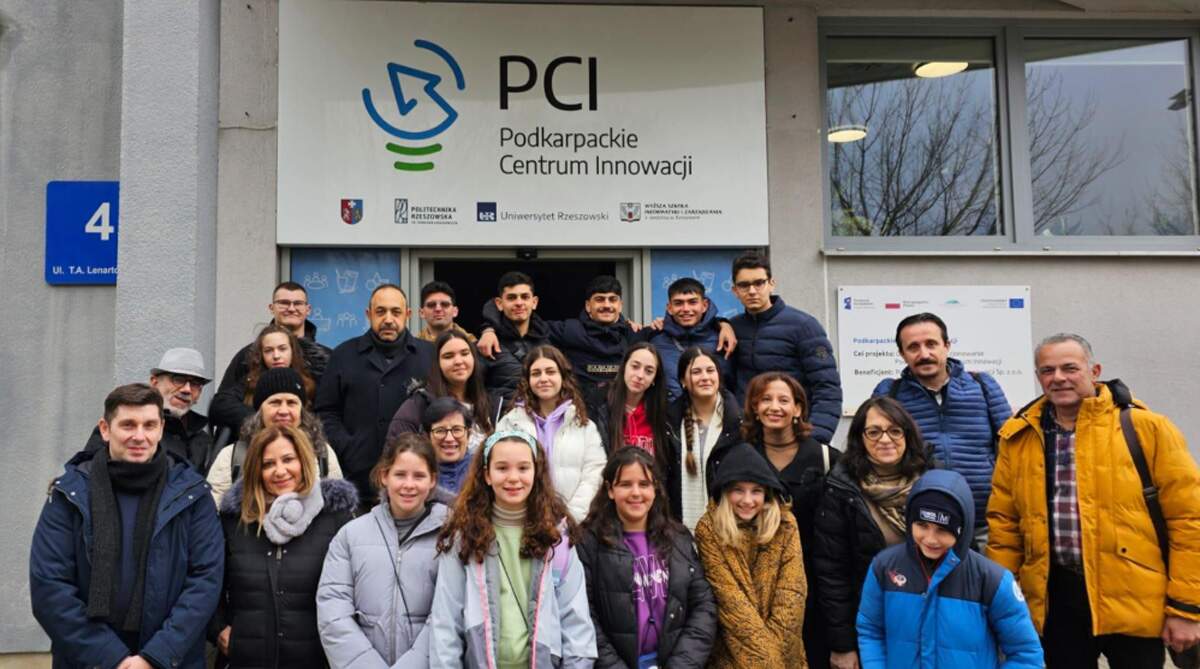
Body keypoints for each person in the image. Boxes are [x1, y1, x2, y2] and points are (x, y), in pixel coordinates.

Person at [987, 333, 1200, 668]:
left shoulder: (1146, 428)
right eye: (1047, 370)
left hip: (1134, 596)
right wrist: (1002, 602)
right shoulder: (1019, 438)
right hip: (1056, 602)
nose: (1058, 378)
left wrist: (1186, 608)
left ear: (1094, 371)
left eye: (1070, 368)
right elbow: (1005, 526)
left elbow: (1189, 519)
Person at [31, 384, 223, 669]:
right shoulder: (70, 494)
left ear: (161, 429)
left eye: (149, 425)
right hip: (88, 661)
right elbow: (50, 587)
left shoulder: (192, 494)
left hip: (170, 661)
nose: (139, 436)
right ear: (105, 429)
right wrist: (111, 657)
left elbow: (205, 580)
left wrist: (156, 656)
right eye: (128, 425)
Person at [429, 430, 598, 668]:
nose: (513, 478)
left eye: (523, 468)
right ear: (487, 475)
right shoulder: (464, 536)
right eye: (502, 468)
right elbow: (446, 621)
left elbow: (576, 622)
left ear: (536, 472)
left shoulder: (555, 538)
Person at [856, 469, 1043, 669]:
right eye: (922, 525)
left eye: (943, 530)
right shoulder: (884, 568)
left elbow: (1026, 655)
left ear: (963, 530)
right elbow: (871, 630)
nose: (930, 539)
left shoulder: (992, 580)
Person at [212, 425, 358, 668]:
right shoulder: (234, 521)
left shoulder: (335, 518)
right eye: (268, 464)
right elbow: (209, 581)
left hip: (316, 660)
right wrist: (218, 628)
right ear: (256, 470)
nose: (280, 471)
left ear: (304, 461)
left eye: (288, 459)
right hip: (247, 658)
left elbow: (355, 592)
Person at [813, 397, 933, 669]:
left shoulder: (934, 478)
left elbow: (963, 554)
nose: (885, 439)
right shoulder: (841, 489)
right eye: (874, 431)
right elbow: (832, 574)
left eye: (894, 431)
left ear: (907, 434)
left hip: (932, 620)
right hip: (873, 627)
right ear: (860, 437)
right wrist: (843, 645)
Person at [872, 312, 1011, 541]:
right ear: (902, 354)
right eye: (913, 347)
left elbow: (1012, 447)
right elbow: (872, 450)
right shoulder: (889, 392)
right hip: (920, 523)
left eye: (931, 344)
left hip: (985, 521)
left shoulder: (983, 385)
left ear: (946, 346)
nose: (924, 354)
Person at [317, 433, 450, 668]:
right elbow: (333, 612)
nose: (409, 484)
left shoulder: (450, 538)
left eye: (419, 476)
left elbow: (448, 615)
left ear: (432, 480)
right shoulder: (350, 536)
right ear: (384, 476)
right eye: (400, 474)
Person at [577, 446, 718, 668]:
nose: (636, 493)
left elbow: (703, 606)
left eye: (644, 484)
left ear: (655, 489)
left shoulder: (679, 539)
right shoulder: (588, 543)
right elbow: (585, 617)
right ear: (610, 490)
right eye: (625, 484)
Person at [736, 371, 838, 669]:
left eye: (784, 400)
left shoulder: (828, 459)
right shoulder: (740, 458)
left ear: (798, 408)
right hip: (759, 587)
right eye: (765, 399)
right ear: (755, 408)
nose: (774, 407)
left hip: (817, 588)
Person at [316, 283, 433, 502]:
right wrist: (348, 447)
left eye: (396, 312)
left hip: (414, 481)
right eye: (380, 311)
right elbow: (326, 411)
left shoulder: (429, 355)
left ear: (407, 315)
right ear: (368, 314)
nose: (388, 319)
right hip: (356, 482)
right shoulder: (343, 354)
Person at [694, 442, 805, 668]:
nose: (747, 500)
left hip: (785, 652)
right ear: (726, 491)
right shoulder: (710, 529)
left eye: (756, 491)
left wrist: (774, 659)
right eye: (738, 490)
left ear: (767, 493)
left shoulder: (785, 525)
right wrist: (769, 663)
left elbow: (792, 594)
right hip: (730, 655)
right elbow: (732, 604)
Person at [728, 250, 842, 444]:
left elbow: (827, 387)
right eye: (744, 285)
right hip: (748, 438)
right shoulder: (732, 328)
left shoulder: (804, 326)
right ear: (735, 290)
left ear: (771, 283)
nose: (752, 291)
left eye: (759, 283)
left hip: (794, 437)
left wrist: (815, 440)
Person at [495, 345, 606, 520]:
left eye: (550, 372)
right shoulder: (510, 423)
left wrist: (571, 518)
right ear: (527, 380)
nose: (543, 378)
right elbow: (500, 470)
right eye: (536, 373)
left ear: (562, 377)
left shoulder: (584, 425)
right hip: (523, 521)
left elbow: (594, 473)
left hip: (573, 523)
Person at [207, 367, 344, 505]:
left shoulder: (322, 452)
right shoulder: (232, 456)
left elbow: (338, 508)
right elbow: (212, 510)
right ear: (260, 410)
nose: (284, 411)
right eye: (275, 403)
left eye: (291, 403)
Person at [214, 281, 332, 423]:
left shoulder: (326, 358)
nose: (291, 308)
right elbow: (222, 403)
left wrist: (306, 426)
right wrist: (261, 421)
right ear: (271, 308)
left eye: (298, 303)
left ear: (308, 309)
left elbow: (333, 408)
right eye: (284, 303)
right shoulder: (248, 355)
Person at [83, 348, 215, 472]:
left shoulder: (202, 439)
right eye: (178, 380)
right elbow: (88, 473)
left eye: (195, 384)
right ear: (154, 382)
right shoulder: (118, 428)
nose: (187, 390)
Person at [664, 345, 742, 529]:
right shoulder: (668, 422)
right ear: (683, 381)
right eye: (696, 372)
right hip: (679, 529)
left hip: (730, 526)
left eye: (710, 370)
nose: (705, 377)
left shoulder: (738, 422)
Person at [386, 329, 497, 449]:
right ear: (437, 364)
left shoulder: (490, 405)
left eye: (464, 353)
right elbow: (395, 454)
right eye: (448, 356)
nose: (458, 361)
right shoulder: (418, 406)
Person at [209, 324, 318, 444]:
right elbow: (220, 404)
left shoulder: (309, 385)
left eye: (282, 349)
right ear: (261, 355)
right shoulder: (250, 382)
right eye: (268, 351)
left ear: (292, 351)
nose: (276, 356)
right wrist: (260, 420)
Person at [646, 277, 735, 402]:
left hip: (717, 413)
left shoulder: (724, 339)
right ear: (669, 308)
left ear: (704, 305)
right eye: (678, 303)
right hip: (668, 413)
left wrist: (725, 324)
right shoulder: (655, 340)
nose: (686, 309)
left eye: (692, 302)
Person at [593, 342, 673, 470]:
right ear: (624, 367)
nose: (640, 375)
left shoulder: (663, 413)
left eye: (649, 371)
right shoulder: (599, 406)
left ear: (654, 379)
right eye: (635, 366)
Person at [476, 271, 550, 401]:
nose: (519, 303)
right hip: (502, 413)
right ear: (499, 303)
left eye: (525, 297)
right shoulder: (486, 344)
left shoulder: (549, 339)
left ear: (534, 302)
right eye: (511, 298)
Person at [422, 397, 475, 495]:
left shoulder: (482, 471)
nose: (449, 438)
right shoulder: (417, 474)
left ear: (469, 435)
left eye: (457, 430)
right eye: (440, 431)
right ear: (427, 437)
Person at [416, 280, 477, 344]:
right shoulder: (412, 347)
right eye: (431, 305)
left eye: (445, 304)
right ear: (422, 313)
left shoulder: (474, 345)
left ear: (455, 311)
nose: (438, 309)